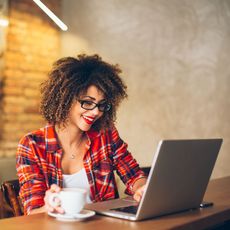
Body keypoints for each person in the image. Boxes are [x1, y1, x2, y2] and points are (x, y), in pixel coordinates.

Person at [16, 54, 147, 215]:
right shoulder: (32, 145)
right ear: (65, 98)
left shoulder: (105, 135)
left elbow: (134, 176)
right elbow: (33, 212)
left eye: (101, 105)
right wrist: (49, 207)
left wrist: (142, 188)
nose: (95, 112)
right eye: (87, 102)